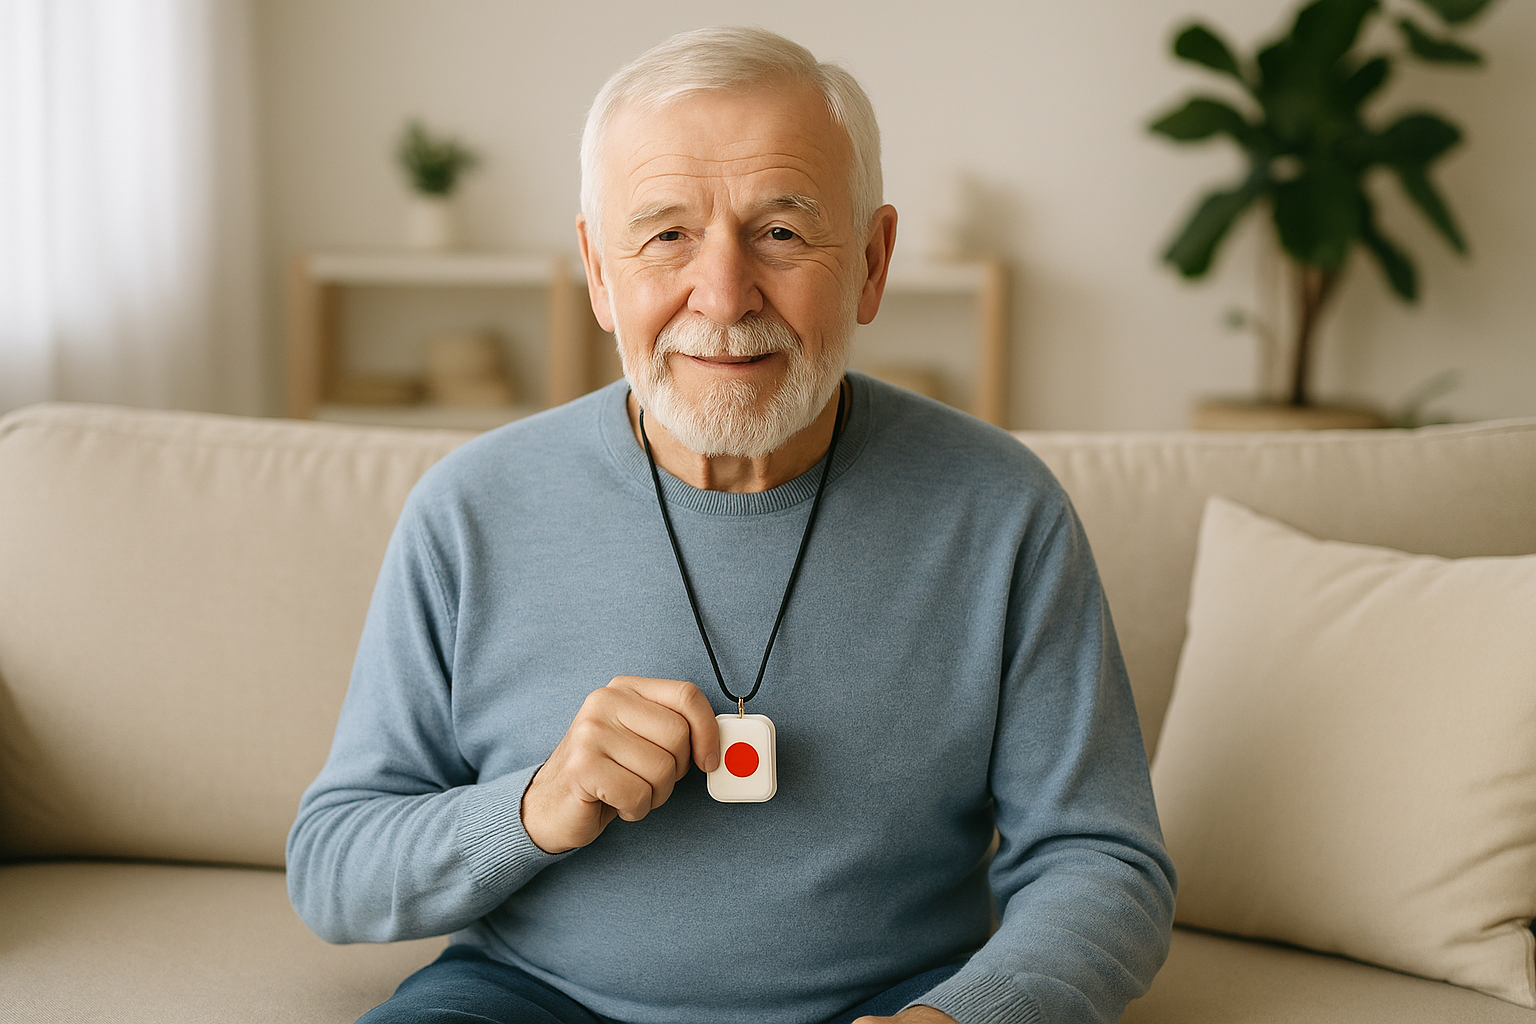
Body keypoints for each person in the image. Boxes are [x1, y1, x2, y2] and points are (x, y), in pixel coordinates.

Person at [287, 26, 1175, 1024]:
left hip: (893, 1003)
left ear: (873, 262)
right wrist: (536, 804)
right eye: (666, 235)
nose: (722, 295)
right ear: (598, 269)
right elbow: (333, 869)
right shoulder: (468, 509)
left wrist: (963, 1018)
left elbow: (1105, 861)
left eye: (782, 233)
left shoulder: (1005, 511)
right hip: (525, 998)